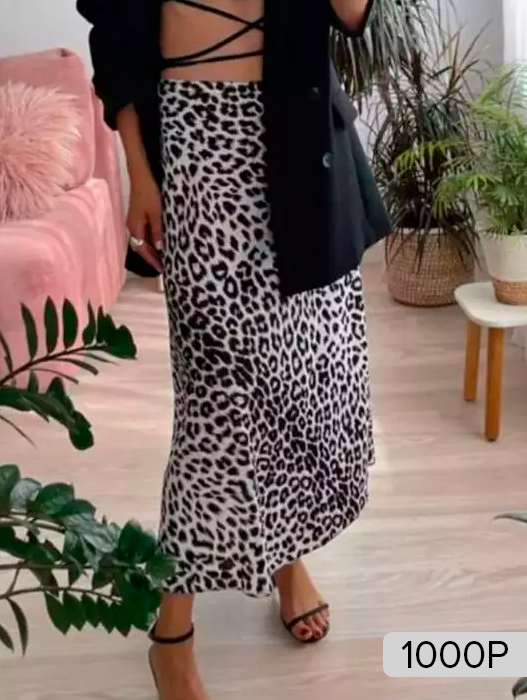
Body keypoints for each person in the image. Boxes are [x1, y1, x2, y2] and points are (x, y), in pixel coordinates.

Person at [77, 0, 389, 697]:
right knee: (217, 402)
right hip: (195, 147)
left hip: (299, 149)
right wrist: (138, 170)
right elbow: (116, 31)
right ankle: (172, 631)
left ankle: (286, 559)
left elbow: (352, 14)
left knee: (303, 380)